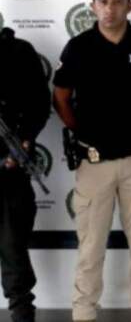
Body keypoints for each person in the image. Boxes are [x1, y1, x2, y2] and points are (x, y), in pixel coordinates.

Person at [52, 0, 131, 322]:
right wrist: (81, 132)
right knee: (90, 248)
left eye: (118, 1)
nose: (110, 8)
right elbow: (60, 97)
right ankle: (83, 313)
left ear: (130, 6)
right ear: (93, 6)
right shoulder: (79, 47)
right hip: (94, 161)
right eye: (103, 1)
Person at [0, 27, 50, 322]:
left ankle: (21, 311)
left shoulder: (18, 51)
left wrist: (25, 141)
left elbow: (39, 104)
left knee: (12, 242)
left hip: (10, 165)